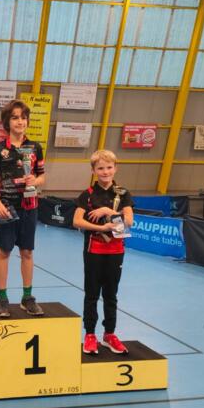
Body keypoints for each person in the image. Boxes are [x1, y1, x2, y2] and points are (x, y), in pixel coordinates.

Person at [0, 99, 45, 318]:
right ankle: (2, 298)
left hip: (30, 207)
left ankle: (27, 297)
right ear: (7, 122)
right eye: (15, 117)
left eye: (23, 117)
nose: (20, 121)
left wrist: (34, 181)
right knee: (4, 251)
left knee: (27, 252)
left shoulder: (35, 147)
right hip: (7, 207)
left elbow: (42, 176)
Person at [73, 149, 134, 355]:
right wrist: (101, 228)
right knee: (91, 294)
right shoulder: (87, 195)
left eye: (109, 167)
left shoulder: (123, 194)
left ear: (115, 168)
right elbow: (77, 221)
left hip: (116, 250)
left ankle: (109, 334)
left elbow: (129, 221)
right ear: (93, 171)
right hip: (94, 250)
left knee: (111, 294)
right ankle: (90, 334)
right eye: (100, 168)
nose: (105, 172)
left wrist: (108, 212)